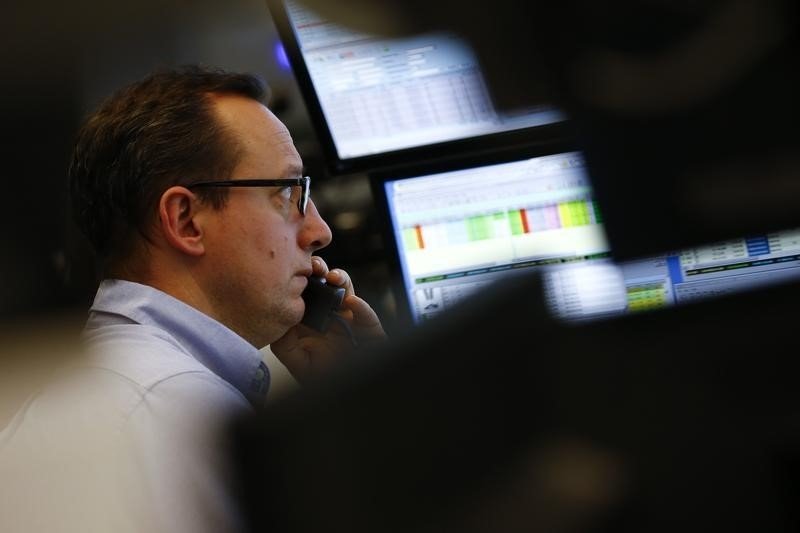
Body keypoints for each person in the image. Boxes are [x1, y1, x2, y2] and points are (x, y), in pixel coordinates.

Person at [0, 65, 385, 533]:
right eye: (287, 192)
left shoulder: (127, 385)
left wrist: (343, 399)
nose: (319, 231)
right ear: (185, 220)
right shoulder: (181, 418)